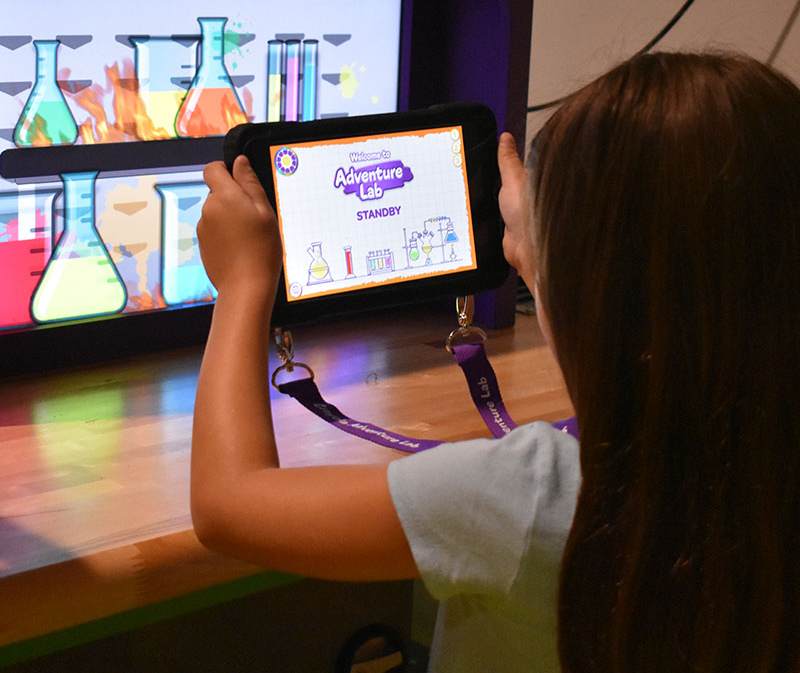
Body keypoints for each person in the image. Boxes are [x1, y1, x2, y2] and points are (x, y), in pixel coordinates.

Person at [191, 51, 800, 673]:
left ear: (592, 294)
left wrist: (243, 286)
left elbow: (227, 508)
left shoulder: (536, 493)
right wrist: (550, 253)